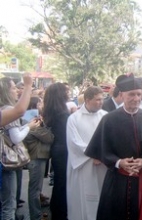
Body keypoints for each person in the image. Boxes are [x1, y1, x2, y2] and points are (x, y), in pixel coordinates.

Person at [85, 74, 142, 220]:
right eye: (131, 94)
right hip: (117, 179)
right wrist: (119, 162)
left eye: (138, 94)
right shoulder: (109, 119)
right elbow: (101, 149)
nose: (136, 98)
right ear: (122, 94)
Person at [0, 77, 40, 220]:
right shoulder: (9, 109)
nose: (16, 91)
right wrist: (28, 127)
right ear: (6, 91)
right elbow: (16, 137)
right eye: (13, 88)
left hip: (4, 160)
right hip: (6, 161)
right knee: (9, 203)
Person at [66, 86, 107, 220]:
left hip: (102, 164)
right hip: (83, 165)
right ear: (87, 100)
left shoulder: (106, 116)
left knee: (102, 197)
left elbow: (110, 138)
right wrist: (93, 155)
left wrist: (101, 155)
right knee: (82, 200)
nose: (101, 102)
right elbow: (74, 142)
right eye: (97, 99)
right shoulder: (74, 118)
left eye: (102, 99)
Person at [23, 96, 54, 220]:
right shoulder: (31, 122)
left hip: (38, 155)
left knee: (36, 187)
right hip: (36, 157)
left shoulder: (34, 120)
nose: (42, 104)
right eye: (40, 102)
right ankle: (35, 216)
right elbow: (49, 137)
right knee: (34, 189)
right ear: (35, 105)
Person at [42, 83, 70, 220]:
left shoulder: (52, 109)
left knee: (59, 182)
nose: (68, 93)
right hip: (63, 150)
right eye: (66, 91)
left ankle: (57, 210)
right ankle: (60, 213)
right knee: (62, 183)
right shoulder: (62, 113)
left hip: (57, 149)